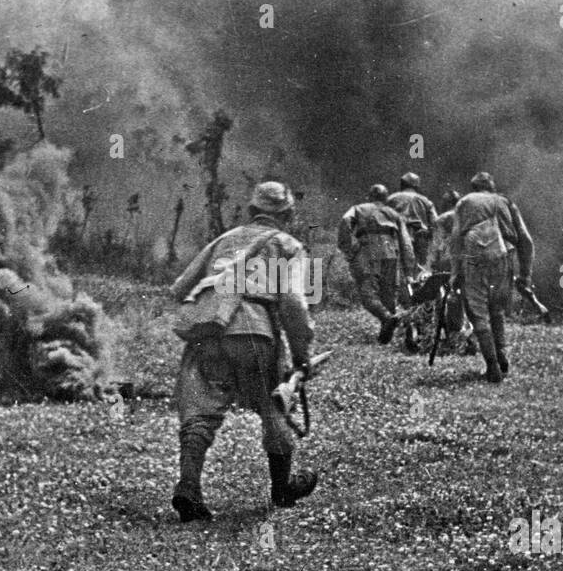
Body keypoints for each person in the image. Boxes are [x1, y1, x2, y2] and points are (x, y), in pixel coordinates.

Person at [169, 181, 319, 522]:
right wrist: (301, 355)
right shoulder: (287, 244)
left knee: (201, 411)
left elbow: (180, 288)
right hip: (254, 327)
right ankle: (282, 488)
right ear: (288, 215)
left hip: (209, 327)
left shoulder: (224, 239)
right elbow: (294, 303)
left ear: (252, 212)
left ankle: (189, 486)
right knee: (273, 405)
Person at [450, 172, 534, 382]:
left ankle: (493, 366)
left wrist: (455, 272)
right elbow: (526, 239)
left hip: (474, 255)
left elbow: (455, 240)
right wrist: (525, 275)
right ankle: (502, 355)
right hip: (504, 257)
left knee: (478, 312)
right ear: (491, 186)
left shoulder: (464, 202)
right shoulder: (505, 201)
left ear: (473, 187)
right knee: (496, 309)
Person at [337, 183, 417, 344]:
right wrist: (408, 268)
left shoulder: (358, 208)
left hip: (368, 250)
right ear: (385, 198)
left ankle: (387, 319)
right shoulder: (393, 213)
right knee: (389, 295)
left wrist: (349, 249)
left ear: (370, 196)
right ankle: (385, 334)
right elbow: (406, 242)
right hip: (390, 252)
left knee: (367, 294)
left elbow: (346, 221)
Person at [385, 172, 437, 268]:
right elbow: (434, 222)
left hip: (397, 235)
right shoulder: (425, 201)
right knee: (420, 266)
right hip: (420, 236)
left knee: (398, 265)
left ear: (402, 184)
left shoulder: (391, 199)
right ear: (417, 186)